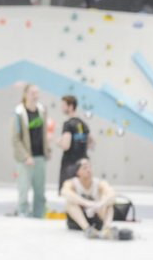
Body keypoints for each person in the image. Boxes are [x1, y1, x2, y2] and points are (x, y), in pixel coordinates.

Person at [61, 158, 132, 240]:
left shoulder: (99, 183)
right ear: (78, 172)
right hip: (78, 221)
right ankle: (87, 229)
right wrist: (87, 203)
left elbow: (112, 194)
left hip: (97, 218)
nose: (88, 170)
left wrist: (99, 204)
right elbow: (65, 192)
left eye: (89, 167)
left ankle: (106, 229)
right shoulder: (71, 183)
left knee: (109, 202)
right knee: (70, 203)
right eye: (84, 168)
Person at [11, 83, 50, 218]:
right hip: (25, 158)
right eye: (33, 93)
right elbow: (15, 138)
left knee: (40, 191)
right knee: (23, 189)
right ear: (26, 94)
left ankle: (39, 215)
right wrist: (26, 156)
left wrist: (47, 150)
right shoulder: (19, 112)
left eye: (37, 93)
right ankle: (22, 214)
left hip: (40, 156)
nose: (35, 96)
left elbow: (44, 133)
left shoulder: (42, 110)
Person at [57, 94, 93, 191]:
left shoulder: (68, 124)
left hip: (70, 165)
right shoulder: (83, 124)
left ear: (71, 106)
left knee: (68, 192)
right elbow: (91, 141)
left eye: (64, 105)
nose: (62, 108)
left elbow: (66, 146)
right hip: (83, 164)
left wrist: (59, 142)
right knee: (82, 192)